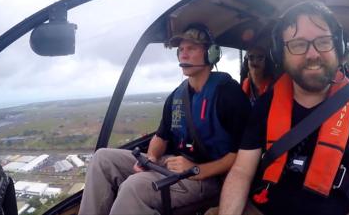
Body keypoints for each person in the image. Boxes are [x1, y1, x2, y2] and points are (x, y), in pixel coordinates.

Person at [78, 24, 251, 215]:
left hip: (208, 177)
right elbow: (161, 137)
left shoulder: (229, 95)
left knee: (134, 187)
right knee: (102, 158)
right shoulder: (177, 96)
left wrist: (197, 169)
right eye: (181, 50)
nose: (183, 55)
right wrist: (150, 158)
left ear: (211, 54)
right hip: (173, 163)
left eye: (191, 48)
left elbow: (239, 156)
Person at [219, 1, 349, 215]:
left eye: (324, 42)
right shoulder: (266, 103)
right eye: (298, 44)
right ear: (280, 54)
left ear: (339, 47)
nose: (312, 54)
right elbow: (242, 171)